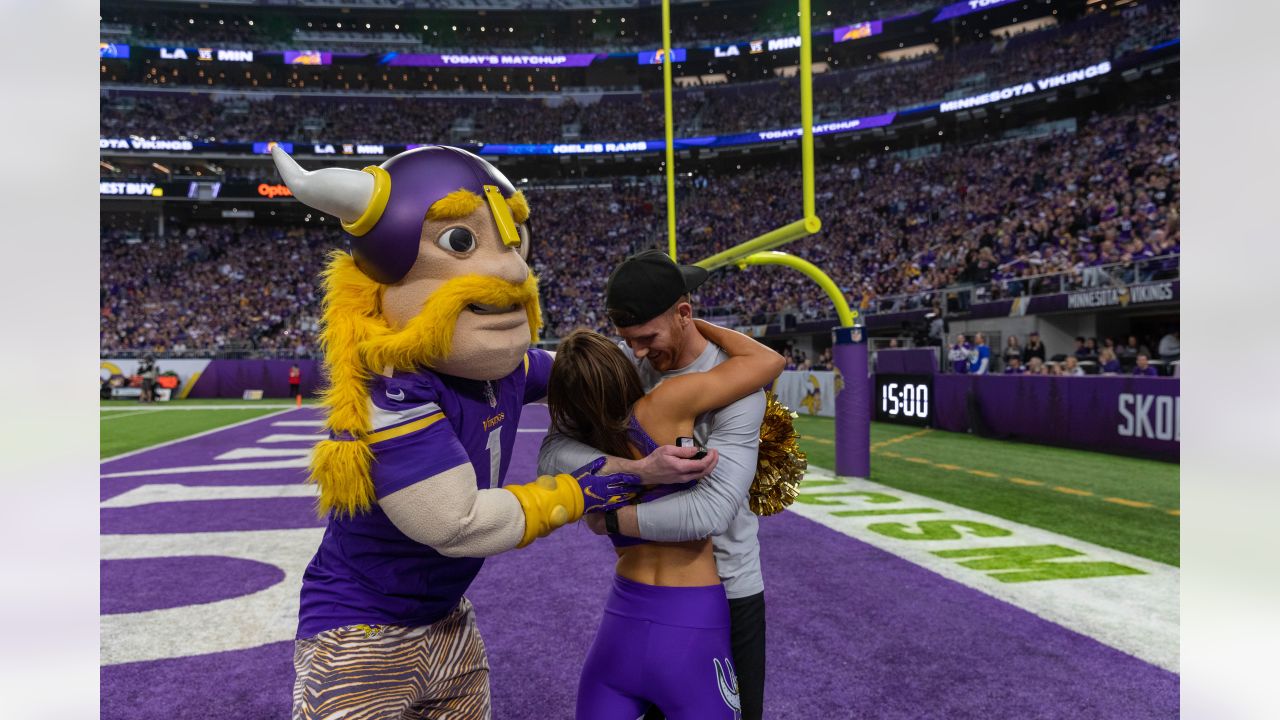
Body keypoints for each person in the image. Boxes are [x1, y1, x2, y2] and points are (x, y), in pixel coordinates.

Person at [271, 145, 687, 719]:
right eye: (463, 243)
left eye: (512, 244)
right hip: (360, 631)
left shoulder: (505, 369)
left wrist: (686, 355)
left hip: (447, 620)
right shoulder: (394, 388)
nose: (514, 270)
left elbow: (587, 369)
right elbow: (454, 523)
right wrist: (582, 490)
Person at [539, 250, 773, 720]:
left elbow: (711, 513)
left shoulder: (735, 387)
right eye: (629, 340)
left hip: (729, 584)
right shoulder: (627, 366)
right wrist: (639, 470)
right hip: (650, 595)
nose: (639, 352)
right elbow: (552, 453)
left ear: (684, 314)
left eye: (647, 338)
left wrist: (611, 519)